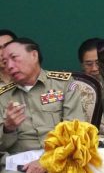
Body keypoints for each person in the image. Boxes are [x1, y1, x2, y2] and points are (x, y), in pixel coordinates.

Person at [0, 38, 85, 173]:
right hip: (18, 165)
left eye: (14, 58)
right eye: (5, 62)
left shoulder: (63, 84)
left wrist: (48, 160)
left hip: (60, 158)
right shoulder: (3, 96)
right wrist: (8, 128)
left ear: (34, 55)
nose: (9, 66)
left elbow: (76, 130)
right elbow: (2, 147)